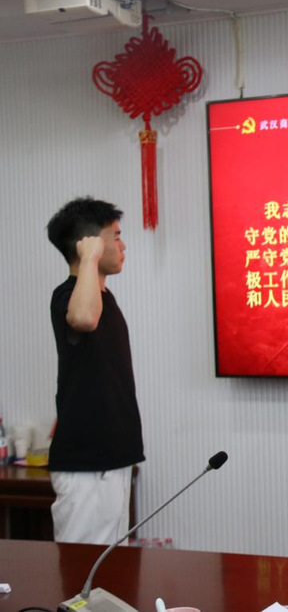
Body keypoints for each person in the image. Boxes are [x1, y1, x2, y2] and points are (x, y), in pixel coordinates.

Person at [45, 197, 144, 544]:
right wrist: (87, 258)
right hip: (87, 464)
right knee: (82, 569)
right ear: (88, 243)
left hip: (113, 457)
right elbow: (84, 318)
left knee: (113, 566)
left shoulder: (106, 299)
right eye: (115, 236)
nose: (123, 245)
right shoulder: (67, 296)